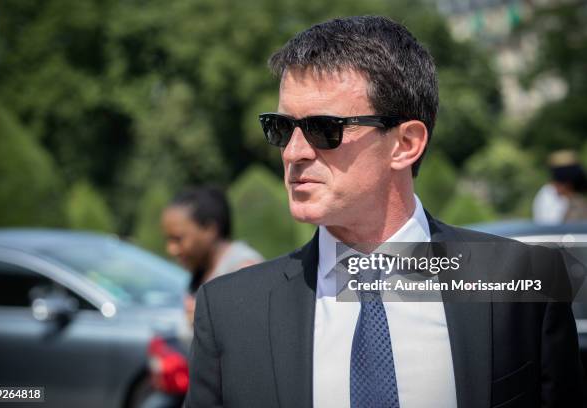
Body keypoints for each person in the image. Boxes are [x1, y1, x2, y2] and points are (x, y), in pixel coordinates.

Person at [186, 16, 585, 408]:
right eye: (280, 128)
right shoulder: (230, 313)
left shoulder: (522, 285)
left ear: (406, 143)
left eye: (324, 128)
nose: (294, 152)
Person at [161, 186, 263, 325]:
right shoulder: (201, 271)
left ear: (210, 230)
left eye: (178, 239)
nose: (171, 249)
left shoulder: (244, 270)